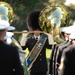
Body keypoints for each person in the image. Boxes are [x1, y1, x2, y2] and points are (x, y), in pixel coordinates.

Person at [20, 10, 54, 75]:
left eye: (38, 29)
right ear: (32, 29)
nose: (37, 31)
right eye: (35, 29)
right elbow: (23, 48)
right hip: (33, 67)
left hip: (42, 67)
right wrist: (23, 37)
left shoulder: (44, 39)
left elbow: (50, 47)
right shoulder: (29, 40)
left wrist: (50, 36)